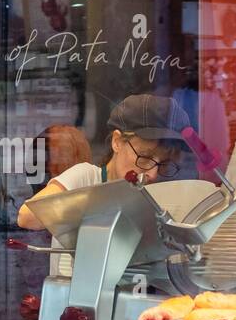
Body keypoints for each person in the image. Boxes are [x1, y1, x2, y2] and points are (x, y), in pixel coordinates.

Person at [18, 94, 189, 276]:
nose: (153, 174)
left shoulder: (158, 197)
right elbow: (26, 217)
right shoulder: (85, 178)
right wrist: (101, 203)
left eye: (163, 163)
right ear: (117, 142)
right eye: (144, 157)